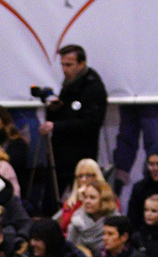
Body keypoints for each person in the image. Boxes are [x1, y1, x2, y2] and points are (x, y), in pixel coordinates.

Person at [41, 44, 108, 200]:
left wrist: (57, 126)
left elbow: (91, 122)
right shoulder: (69, 83)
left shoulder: (93, 87)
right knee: (50, 199)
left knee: (81, 197)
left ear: (82, 64)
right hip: (60, 153)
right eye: (62, 65)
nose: (65, 69)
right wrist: (55, 109)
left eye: (69, 65)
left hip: (81, 153)